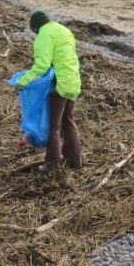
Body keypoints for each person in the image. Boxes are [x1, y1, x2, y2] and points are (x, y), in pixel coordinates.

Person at [15, 11, 81, 174]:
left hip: (58, 85)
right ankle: (74, 161)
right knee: (68, 121)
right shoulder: (64, 30)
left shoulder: (44, 35)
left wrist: (23, 81)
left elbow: (42, 65)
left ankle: (51, 165)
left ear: (36, 27)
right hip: (72, 81)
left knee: (54, 127)